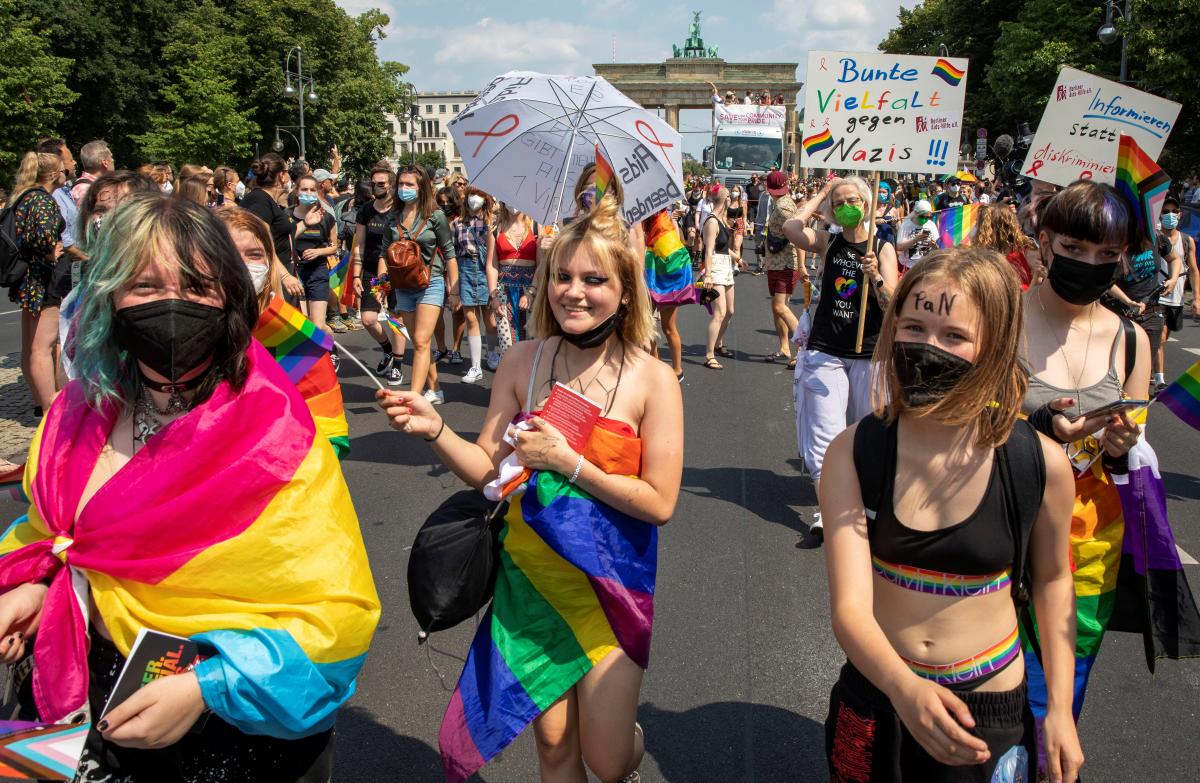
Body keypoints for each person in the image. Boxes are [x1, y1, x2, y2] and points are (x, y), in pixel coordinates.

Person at [1, 193, 379, 780]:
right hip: (72, 688)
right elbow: (48, 535)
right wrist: (36, 584)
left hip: (227, 729)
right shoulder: (75, 412)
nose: (172, 304)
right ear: (110, 297)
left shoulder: (274, 436)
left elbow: (337, 615)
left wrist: (209, 686)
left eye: (197, 287)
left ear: (229, 299)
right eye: (146, 286)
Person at [376, 191, 682, 783]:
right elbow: (490, 470)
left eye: (594, 278)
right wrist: (434, 426)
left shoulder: (655, 380)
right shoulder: (522, 362)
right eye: (561, 275)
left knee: (608, 759)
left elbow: (660, 503)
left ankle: (630, 747)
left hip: (609, 587)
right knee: (552, 744)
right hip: (528, 583)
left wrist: (569, 462)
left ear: (624, 291)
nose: (574, 290)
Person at [821, 247, 1083, 783]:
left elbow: (1055, 581)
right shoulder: (855, 451)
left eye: (954, 336)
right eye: (913, 327)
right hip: (878, 695)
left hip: (987, 712)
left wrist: (1058, 708)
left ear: (994, 347)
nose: (927, 348)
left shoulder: (1039, 464)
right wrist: (903, 687)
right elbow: (850, 608)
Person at [1018, 180, 1154, 743]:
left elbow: (1132, 450)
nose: (1089, 264)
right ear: (1044, 242)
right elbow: (956, 424)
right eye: (1074, 249)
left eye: (1106, 255)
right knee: (1004, 709)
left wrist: (1123, 446)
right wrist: (1035, 427)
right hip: (1005, 539)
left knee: (1062, 702)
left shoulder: (1132, 340)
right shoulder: (999, 319)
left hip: (1091, 548)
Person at [785, 176, 899, 537]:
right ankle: (827, 510)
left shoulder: (882, 246)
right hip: (826, 351)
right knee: (827, 437)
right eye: (839, 201)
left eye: (853, 199)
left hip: (870, 355)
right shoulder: (828, 242)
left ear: (866, 205)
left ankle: (865, 505)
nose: (846, 205)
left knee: (866, 433)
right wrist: (820, 192)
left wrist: (876, 277)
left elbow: (894, 302)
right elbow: (791, 227)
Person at [388, 165, 458, 404]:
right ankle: (435, 388)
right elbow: (383, 254)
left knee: (420, 341)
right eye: (401, 184)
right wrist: (378, 286)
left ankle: (413, 397)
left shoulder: (435, 216)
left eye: (409, 185)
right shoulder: (392, 217)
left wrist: (455, 289)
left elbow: (449, 253)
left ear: (421, 187)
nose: (404, 189)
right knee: (420, 343)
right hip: (403, 286)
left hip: (432, 282)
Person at [6, 152, 65, 417]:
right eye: (63, 169)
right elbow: (41, 237)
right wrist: (52, 251)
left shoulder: (23, 196)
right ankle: (49, 408)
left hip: (27, 278)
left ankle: (40, 403)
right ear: (53, 174)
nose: (67, 172)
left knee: (31, 344)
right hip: (41, 278)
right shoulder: (41, 199)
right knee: (43, 346)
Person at [1105, 228, 1179, 393]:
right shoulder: (1112, 239)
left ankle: (1137, 415)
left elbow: (1174, 259)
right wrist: (1128, 301)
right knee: (1116, 370)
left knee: (1141, 372)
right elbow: (1105, 280)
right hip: (1118, 314)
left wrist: (1173, 279)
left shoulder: (1157, 237)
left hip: (1151, 314)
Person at [353, 165, 408, 384]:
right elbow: (359, 244)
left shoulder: (400, 210)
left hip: (396, 271)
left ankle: (397, 363)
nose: (376, 186)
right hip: (371, 271)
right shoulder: (366, 210)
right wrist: (356, 275)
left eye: (381, 183)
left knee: (396, 318)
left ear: (392, 185)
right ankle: (387, 348)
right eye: (374, 183)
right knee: (368, 318)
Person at [241, 153, 303, 300]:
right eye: (288, 171)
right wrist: (285, 275)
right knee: (280, 323)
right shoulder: (259, 200)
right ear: (281, 176)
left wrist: (306, 223)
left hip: (280, 273)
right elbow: (260, 242)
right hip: (271, 278)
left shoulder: (267, 200)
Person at [452, 186, 498, 383]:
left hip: (484, 269)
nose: (474, 199)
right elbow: (452, 253)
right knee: (470, 318)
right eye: (471, 195)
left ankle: (493, 353)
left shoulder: (492, 222)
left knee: (490, 319)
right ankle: (475, 365)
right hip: (465, 270)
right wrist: (452, 285)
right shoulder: (457, 224)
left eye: (479, 195)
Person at [290, 174, 339, 338]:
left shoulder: (326, 218)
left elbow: (334, 247)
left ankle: (331, 350)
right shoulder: (286, 215)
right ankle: (313, 361)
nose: (308, 193)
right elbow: (282, 242)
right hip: (295, 273)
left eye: (312, 190)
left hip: (317, 271)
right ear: (297, 192)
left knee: (318, 325)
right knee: (303, 324)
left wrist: (318, 251)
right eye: (304, 189)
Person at [762, 171, 804, 367]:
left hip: (786, 262)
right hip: (776, 262)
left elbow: (799, 236)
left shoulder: (783, 208)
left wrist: (802, 266)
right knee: (777, 307)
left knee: (780, 306)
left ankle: (803, 348)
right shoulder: (781, 203)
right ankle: (785, 348)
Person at [488, 201, 541, 355]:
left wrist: (531, 292)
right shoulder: (495, 230)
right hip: (504, 292)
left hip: (531, 291)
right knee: (507, 344)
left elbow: (541, 265)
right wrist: (493, 296)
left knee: (532, 345)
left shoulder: (536, 227)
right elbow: (492, 266)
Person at [1156, 196, 1195, 388]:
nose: (1169, 215)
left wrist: (1196, 298)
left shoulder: (1187, 241)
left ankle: (1150, 368)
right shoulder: (1152, 236)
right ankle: (1160, 380)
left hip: (1177, 298)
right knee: (1160, 339)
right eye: (1165, 212)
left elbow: (1194, 270)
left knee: (1163, 338)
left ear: (1179, 215)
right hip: (1156, 296)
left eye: (1173, 211)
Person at [701, 183, 736, 369]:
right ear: (725, 199)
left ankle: (718, 343)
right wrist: (708, 275)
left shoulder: (722, 220)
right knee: (719, 312)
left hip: (726, 267)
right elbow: (709, 250)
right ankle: (709, 354)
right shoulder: (712, 221)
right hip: (714, 268)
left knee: (730, 310)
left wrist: (736, 256)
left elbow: (723, 247)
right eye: (730, 196)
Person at [973, 204, 1040, 291]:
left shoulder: (1027, 250)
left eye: (980, 225)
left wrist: (1036, 277)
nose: (976, 229)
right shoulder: (983, 255)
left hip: (1026, 302)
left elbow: (1039, 287)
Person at [896, 200, 938, 271]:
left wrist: (934, 244)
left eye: (927, 217)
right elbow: (899, 247)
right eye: (922, 217)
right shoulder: (906, 225)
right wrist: (915, 239)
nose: (925, 219)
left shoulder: (931, 224)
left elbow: (938, 245)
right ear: (915, 213)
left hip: (926, 265)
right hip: (908, 266)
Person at [71, 140, 115, 207]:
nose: (113, 160)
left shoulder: (91, 186)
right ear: (105, 163)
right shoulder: (86, 190)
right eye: (111, 157)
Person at [727, 184, 748, 270]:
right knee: (730, 247)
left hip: (739, 225)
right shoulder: (727, 201)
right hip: (729, 224)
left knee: (736, 246)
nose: (734, 193)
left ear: (740, 193)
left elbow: (744, 217)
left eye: (736, 191)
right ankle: (731, 264)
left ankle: (736, 266)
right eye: (733, 191)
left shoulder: (743, 203)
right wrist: (726, 224)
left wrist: (745, 228)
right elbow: (724, 214)